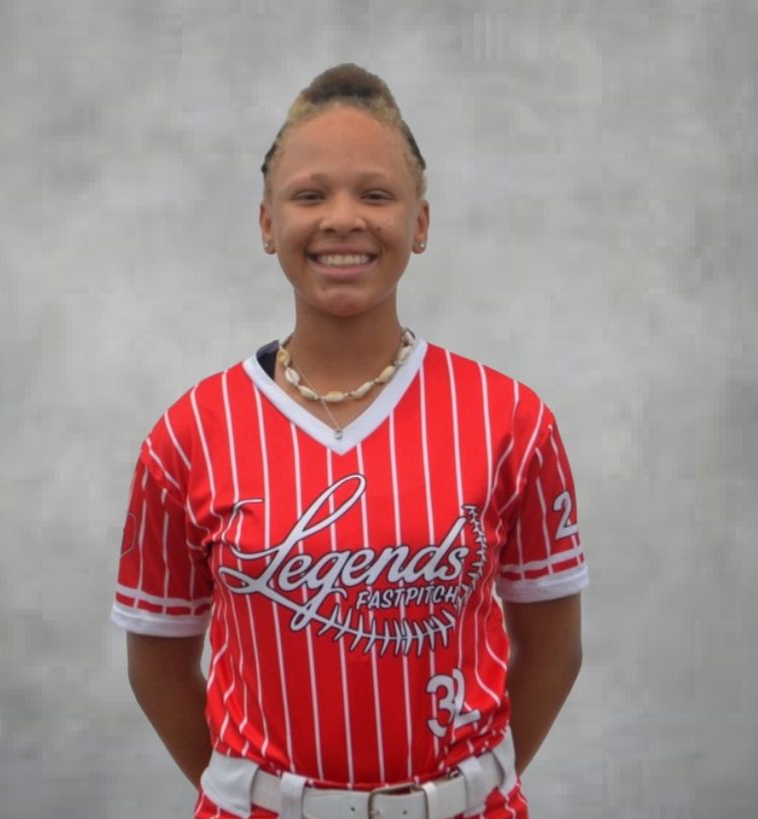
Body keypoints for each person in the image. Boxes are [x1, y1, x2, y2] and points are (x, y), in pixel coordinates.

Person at [111, 64, 588, 819]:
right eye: (309, 196)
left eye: (375, 194)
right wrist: (257, 796)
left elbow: (554, 648)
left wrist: (463, 789)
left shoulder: (510, 420)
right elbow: (158, 663)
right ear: (267, 224)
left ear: (419, 223)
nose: (342, 219)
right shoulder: (190, 434)